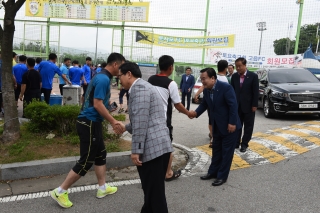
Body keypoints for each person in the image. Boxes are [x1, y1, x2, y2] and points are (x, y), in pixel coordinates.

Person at [50, 53, 126, 209]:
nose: (123, 70)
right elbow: (97, 104)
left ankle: (102, 188)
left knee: (100, 154)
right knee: (86, 160)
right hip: (89, 123)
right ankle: (60, 191)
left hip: (93, 121)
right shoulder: (104, 79)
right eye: (122, 66)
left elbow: (89, 99)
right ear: (116, 65)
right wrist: (113, 121)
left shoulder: (100, 76)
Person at [117, 62, 173, 213]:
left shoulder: (139, 88)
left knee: (155, 195)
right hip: (160, 146)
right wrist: (125, 127)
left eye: (120, 76)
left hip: (152, 149)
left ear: (129, 74)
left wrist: (136, 150)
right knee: (152, 190)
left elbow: (141, 122)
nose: (119, 80)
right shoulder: (144, 86)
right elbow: (144, 119)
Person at [189, 67, 241, 186]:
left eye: (204, 79)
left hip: (230, 126)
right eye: (201, 79)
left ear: (212, 78)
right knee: (216, 150)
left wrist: (232, 123)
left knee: (226, 153)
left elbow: (233, 106)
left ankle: (222, 176)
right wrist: (195, 113)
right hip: (217, 126)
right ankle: (212, 172)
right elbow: (204, 104)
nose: (202, 82)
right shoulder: (207, 90)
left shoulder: (226, 88)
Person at [148, 55, 190, 181]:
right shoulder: (171, 83)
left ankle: (152, 170)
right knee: (167, 147)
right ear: (171, 67)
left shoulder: (150, 79)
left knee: (151, 144)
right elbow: (177, 105)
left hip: (150, 119)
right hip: (163, 121)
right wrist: (189, 113)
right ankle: (168, 173)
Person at [231, 57, 259, 153]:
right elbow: (232, 91)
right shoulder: (234, 77)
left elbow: (255, 92)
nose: (238, 68)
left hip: (249, 106)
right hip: (237, 106)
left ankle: (244, 144)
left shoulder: (253, 76)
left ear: (245, 65)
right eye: (236, 66)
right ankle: (236, 142)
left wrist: (254, 105)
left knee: (248, 126)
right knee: (237, 125)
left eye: (240, 66)